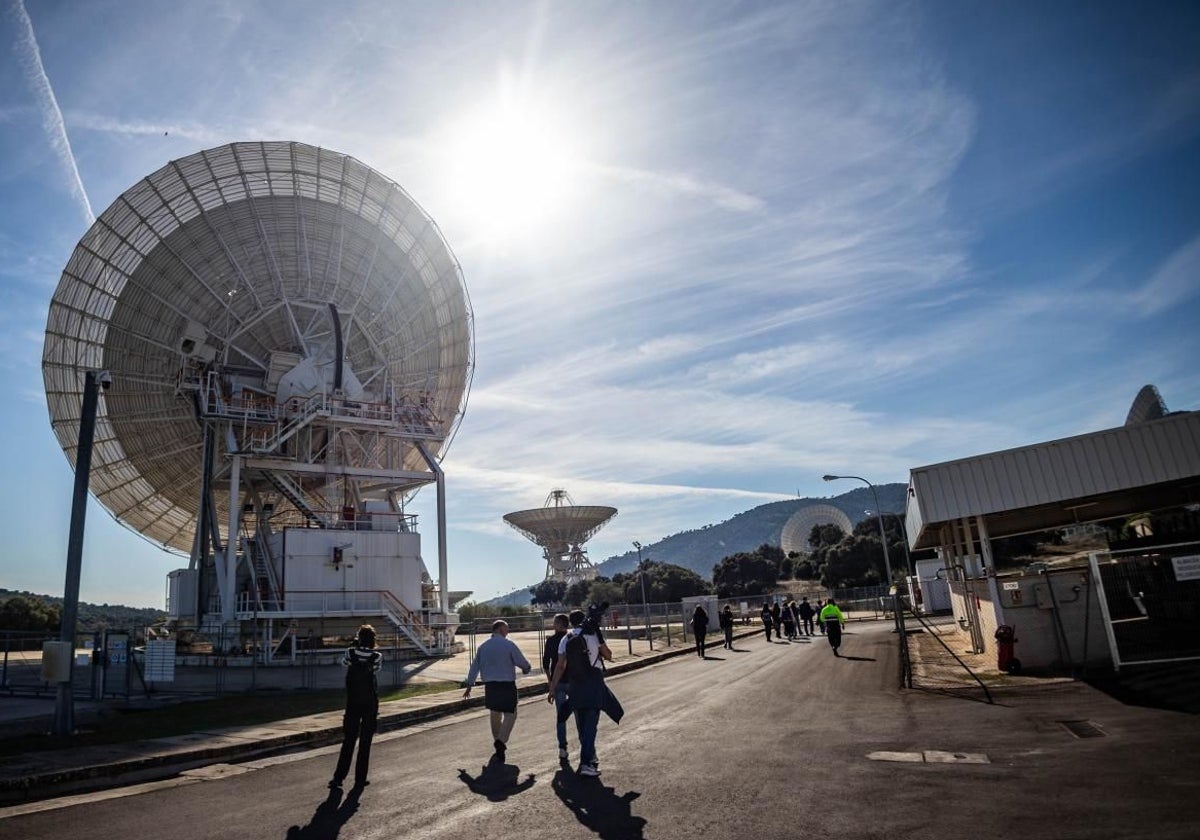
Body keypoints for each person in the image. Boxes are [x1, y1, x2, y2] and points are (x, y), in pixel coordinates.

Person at [547, 609, 613, 777]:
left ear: (571, 622)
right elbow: (609, 655)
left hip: (575, 683)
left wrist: (553, 687)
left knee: (582, 720)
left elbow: (560, 666)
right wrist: (598, 636)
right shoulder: (593, 636)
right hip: (593, 682)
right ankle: (586, 761)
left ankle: (589, 757)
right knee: (591, 722)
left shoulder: (566, 638)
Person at [463, 619, 532, 762]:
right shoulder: (509, 645)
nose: (508, 632)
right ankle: (501, 740)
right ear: (500, 630)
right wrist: (526, 668)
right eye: (506, 629)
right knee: (511, 714)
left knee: (495, 715)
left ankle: (498, 743)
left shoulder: (483, 647)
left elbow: (475, 666)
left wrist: (469, 684)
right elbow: (521, 662)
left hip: (491, 687)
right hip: (507, 685)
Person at [329, 623, 383, 790]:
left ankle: (338, 778)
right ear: (373, 639)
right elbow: (376, 670)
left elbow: (344, 664)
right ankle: (360, 779)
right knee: (365, 743)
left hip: (353, 702)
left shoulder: (350, 652)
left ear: (359, 637)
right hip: (369, 702)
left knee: (349, 741)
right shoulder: (377, 656)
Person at [542, 613, 571, 759]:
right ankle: (586, 746)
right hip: (573, 680)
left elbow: (546, 663)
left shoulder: (551, 641)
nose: (553, 625)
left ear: (559, 624)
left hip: (557, 681)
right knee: (579, 714)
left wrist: (550, 682)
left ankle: (562, 748)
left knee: (561, 716)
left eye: (555, 622)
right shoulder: (572, 639)